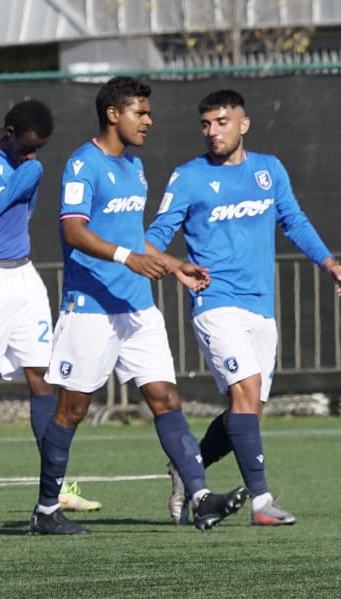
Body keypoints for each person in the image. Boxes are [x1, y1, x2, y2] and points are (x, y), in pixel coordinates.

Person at [29, 76, 248, 535]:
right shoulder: (82, 164)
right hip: (89, 308)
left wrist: (171, 265)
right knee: (71, 409)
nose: (148, 121)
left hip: (138, 308)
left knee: (166, 399)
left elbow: (132, 238)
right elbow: (73, 231)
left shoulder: (135, 167)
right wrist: (129, 259)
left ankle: (201, 496)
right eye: (140, 112)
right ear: (114, 114)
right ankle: (47, 509)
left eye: (148, 113)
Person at [146, 88, 341, 526]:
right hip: (215, 303)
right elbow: (153, 239)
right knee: (246, 390)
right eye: (206, 124)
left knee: (248, 408)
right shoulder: (189, 177)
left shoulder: (268, 170)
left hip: (260, 306)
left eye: (221, 122)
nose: (212, 132)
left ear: (243, 124)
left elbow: (294, 220)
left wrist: (328, 262)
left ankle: (186, 464)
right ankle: (261, 502)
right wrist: (174, 265)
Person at [0, 99, 101, 515]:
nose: (31, 156)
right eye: (26, 147)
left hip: (24, 275)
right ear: (8, 132)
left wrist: (18, 183)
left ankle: (56, 487)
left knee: (43, 377)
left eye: (39, 149)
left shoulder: (29, 162)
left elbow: (16, 218)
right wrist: (9, 188)